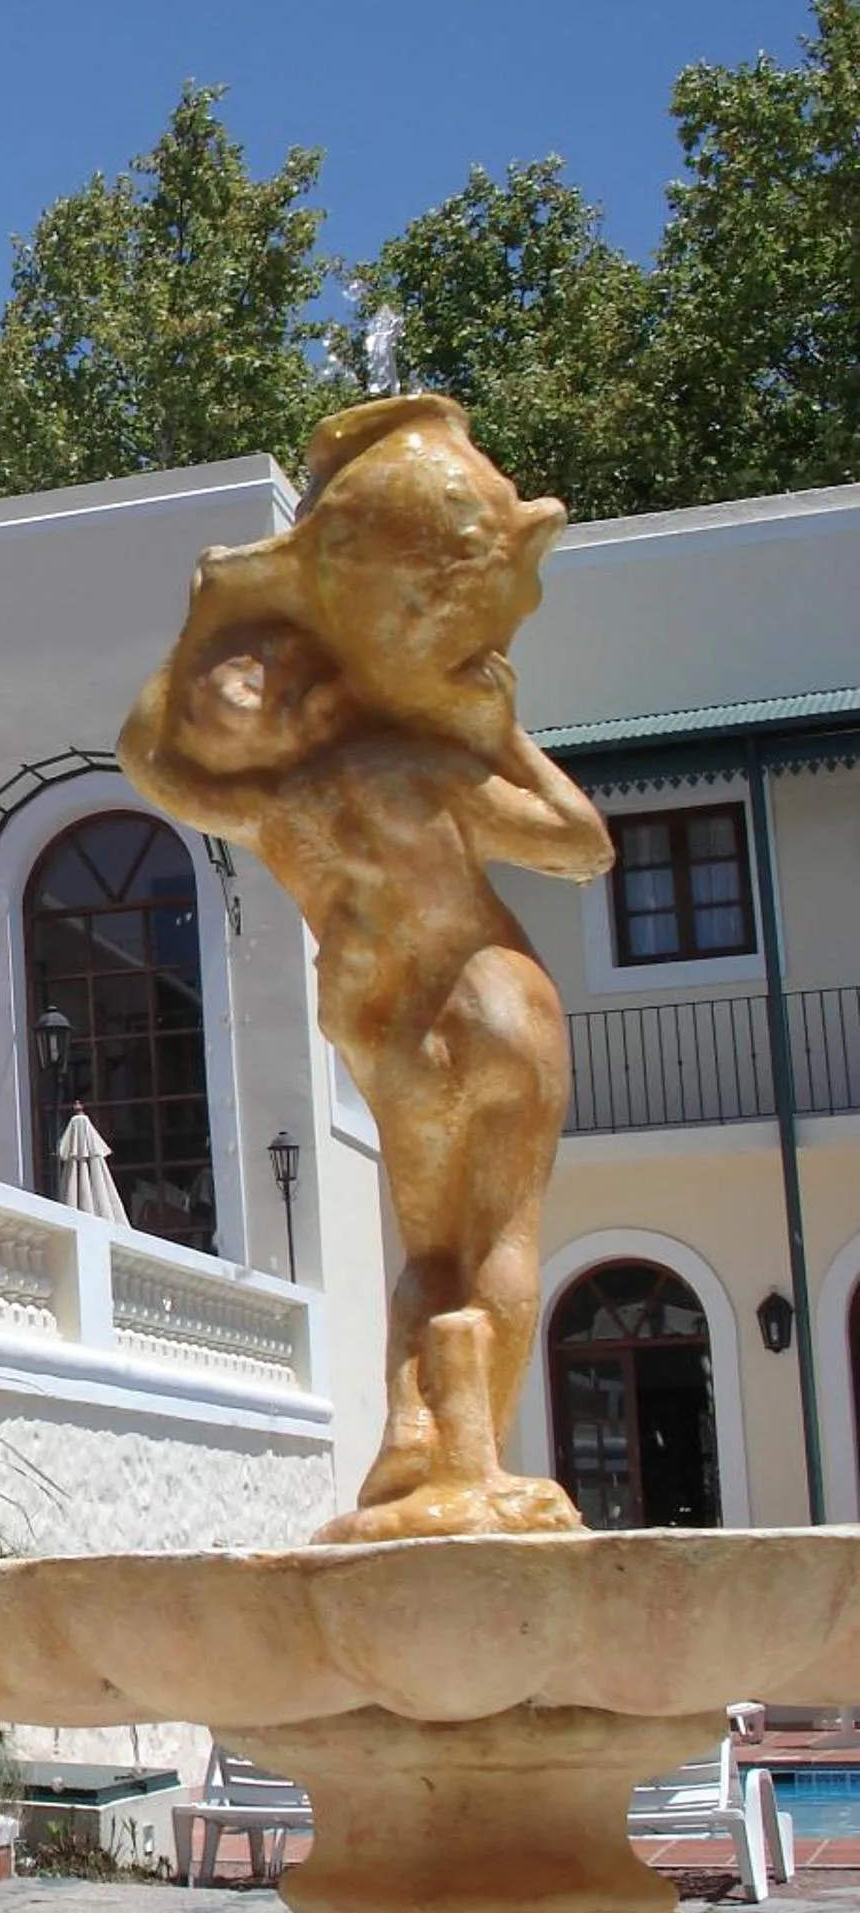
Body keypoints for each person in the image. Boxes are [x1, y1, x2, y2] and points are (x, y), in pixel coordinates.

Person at [118, 397, 613, 1542]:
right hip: (487, 997)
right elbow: (581, 843)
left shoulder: (277, 806)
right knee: (499, 1242)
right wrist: (502, 731)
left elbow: (146, 756)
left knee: (425, 1251)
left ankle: (411, 1447)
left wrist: (222, 600)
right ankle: (475, 1471)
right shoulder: (418, 764)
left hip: (383, 1028)